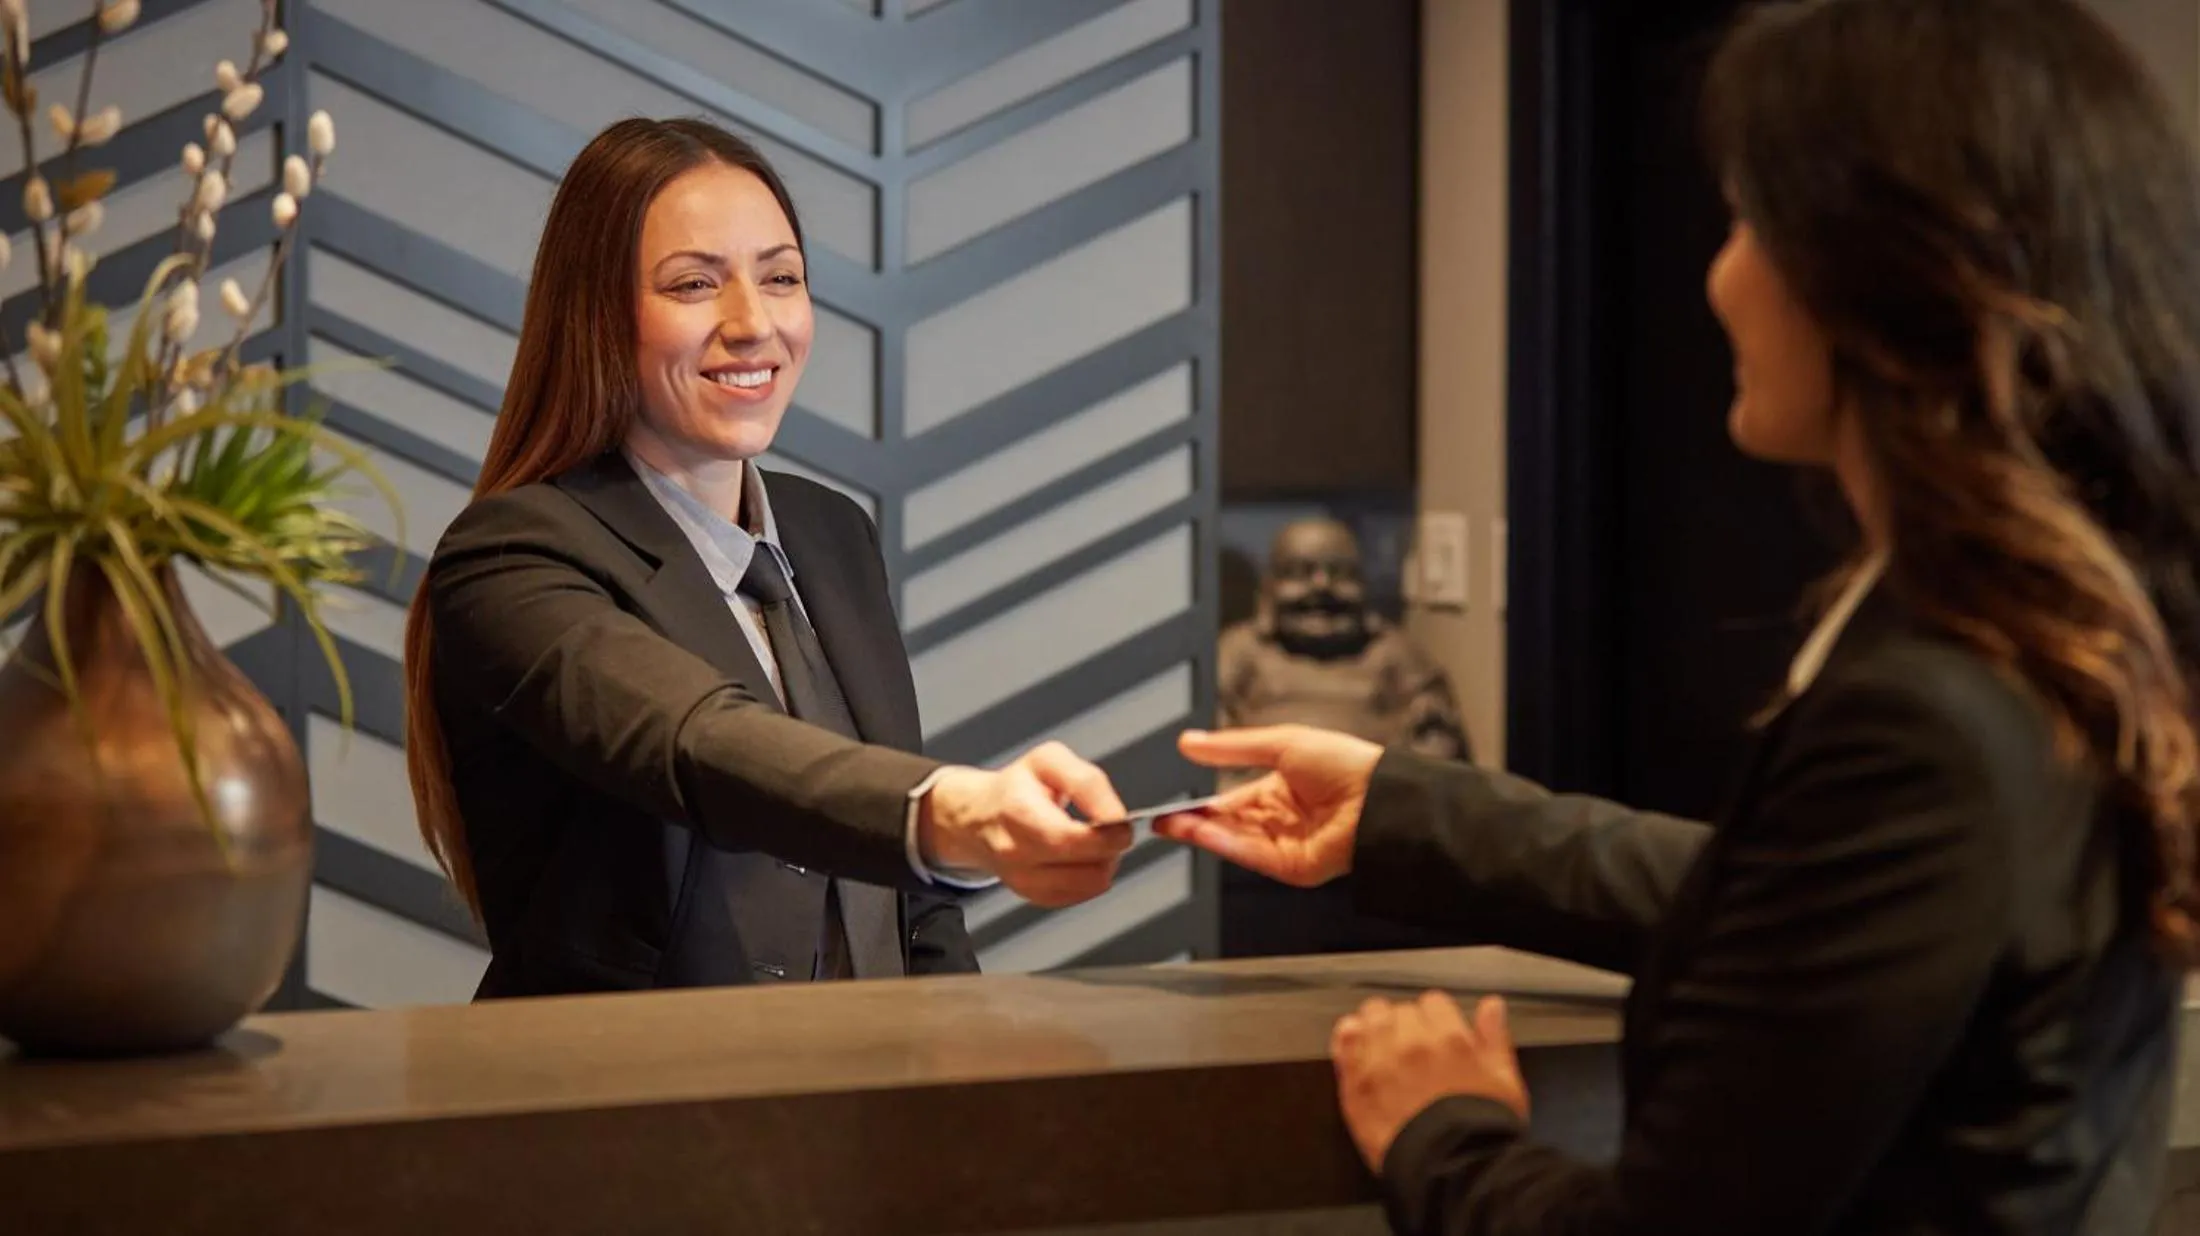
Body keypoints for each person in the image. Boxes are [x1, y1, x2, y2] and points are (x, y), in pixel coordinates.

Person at [1158, 1, 2200, 1231]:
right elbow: (1778, 908)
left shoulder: (1932, 711)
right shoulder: (2043, 641)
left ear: (1875, 279)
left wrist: (1441, 1131)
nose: (1719, 278)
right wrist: (1400, 810)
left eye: (1750, 221)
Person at [401, 117, 1131, 999]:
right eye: (695, 283)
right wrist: (949, 811)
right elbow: (701, 743)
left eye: (781, 277)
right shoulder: (508, 557)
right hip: (623, 1115)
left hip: (859, 1108)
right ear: (596, 312)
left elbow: (912, 916)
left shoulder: (833, 536)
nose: (752, 324)